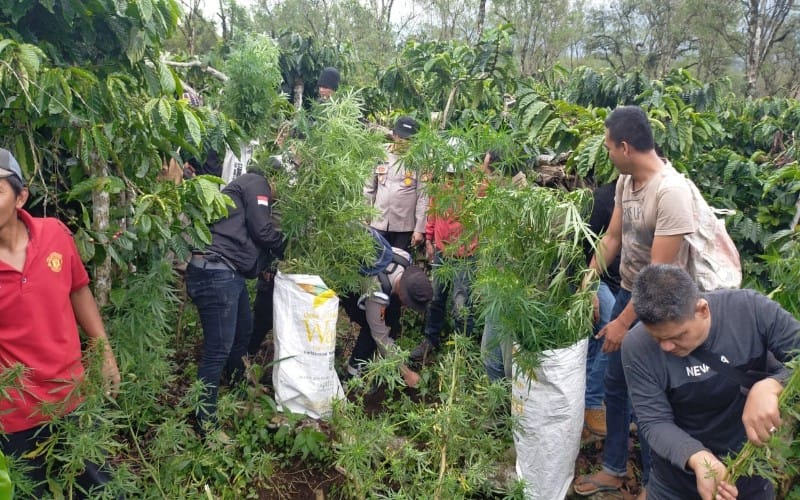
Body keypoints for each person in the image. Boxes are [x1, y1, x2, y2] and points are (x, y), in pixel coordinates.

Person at [573, 105, 697, 498]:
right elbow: (611, 239)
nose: (607, 153)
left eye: (609, 146)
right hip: (629, 294)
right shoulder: (626, 184)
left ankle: (651, 484)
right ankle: (613, 468)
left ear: (625, 147)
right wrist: (586, 282)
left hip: (660, 308)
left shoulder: (671, 192)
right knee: (614, 385)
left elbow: (658, 278)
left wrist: (624, 324)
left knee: (647, 398)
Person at [0, 148, 121, 495]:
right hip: (13, 413)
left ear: (21, 196)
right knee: (29, 491)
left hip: (73, 397)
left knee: (100, 489)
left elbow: (79, 291)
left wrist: (104, 351)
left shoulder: (54, 234)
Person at [623, 264, 799, 500]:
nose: (667, 346)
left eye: (677, 336)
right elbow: (654, 421)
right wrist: (699, 458)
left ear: (702, 309)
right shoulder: (637, 346)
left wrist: (772, 385)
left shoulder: (751, 311)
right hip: (676, 482)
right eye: (658, 339)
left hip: (750, 469)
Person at [184, 166, 284, 435]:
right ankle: (205, 421)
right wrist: (286, 244)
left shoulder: (245, 189)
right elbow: (263, 231)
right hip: (216, 273)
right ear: (274, 178)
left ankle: (239, 384)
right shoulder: (256, 182)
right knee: (217, 350)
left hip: (228, 274)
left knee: (243, 330)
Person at [410, 145, 483, 363]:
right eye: (449, 173)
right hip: (442, 251)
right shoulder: (441, 186)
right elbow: (433, 213)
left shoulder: (477, 188)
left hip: (466, 254)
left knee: (461, 303)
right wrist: (430, 240)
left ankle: (462, 350)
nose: (452, 177)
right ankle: (430, 341)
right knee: (435, 297)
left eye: (455, 173)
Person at [342, 246, 433, 389]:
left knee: (391, 320)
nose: (407, 306)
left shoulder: (405, 258)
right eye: (408, 303)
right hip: (351, 286)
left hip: (377, 284)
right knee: (370, 331)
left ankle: (386, 364)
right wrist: (406, 373)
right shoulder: (377, 294)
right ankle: (351, 379)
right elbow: (380, 338)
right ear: (403, 295)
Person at [582, 182, 622, 440]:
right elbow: (583, 244)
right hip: (602, 280)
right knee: (610, 329)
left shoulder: (657, 194)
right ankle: (592, 403)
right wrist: (589, 288)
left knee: (598, 342)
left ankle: (587, 398)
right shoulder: (606, 197)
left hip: (628, 281)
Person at [365, 116, 428, 251]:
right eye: (402, 138)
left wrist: (419, 229)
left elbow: (423, 196)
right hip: (379, 222)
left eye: (409, 139)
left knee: (399, 267)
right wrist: (365, 216)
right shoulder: (379, 153)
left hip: (403, 227)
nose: (405, 142)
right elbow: (369, 188)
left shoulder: (420, 160)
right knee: (377, 264)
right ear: (394, 135)